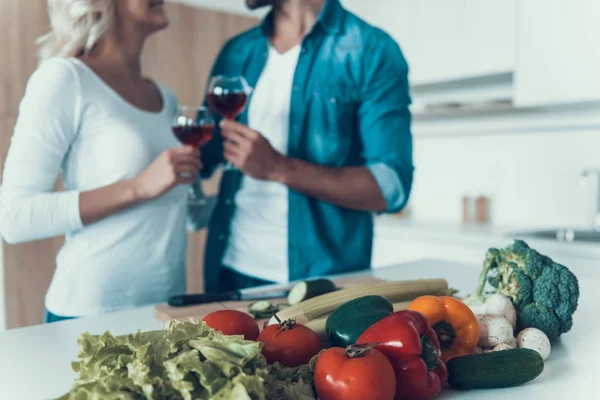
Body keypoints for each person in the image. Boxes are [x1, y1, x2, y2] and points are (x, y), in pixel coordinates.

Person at [0, 0, 201, 322]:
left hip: (165, 312)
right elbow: (14, 218)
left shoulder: (167, 98)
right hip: (89, 315)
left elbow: (180, 214)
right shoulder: (64, 78)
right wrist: (138, 187)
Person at [199, 0, 414, 293]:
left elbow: (391, 186)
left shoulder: (371, 50)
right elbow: (206, 154)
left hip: (322, 284)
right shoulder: (237, 52)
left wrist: (278, 167)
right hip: (229, 271)